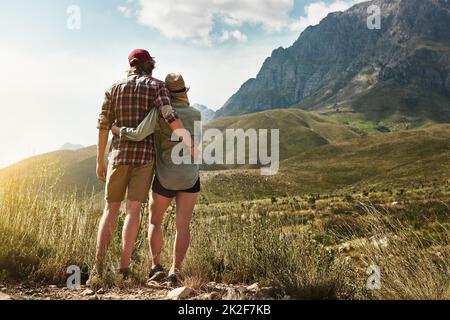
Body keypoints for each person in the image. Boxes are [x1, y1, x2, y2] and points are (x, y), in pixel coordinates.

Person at [95, 49, 195, 279]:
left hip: (118, 155)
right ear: (150, 65)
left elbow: (103, 125)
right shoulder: (157, 86)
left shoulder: (113, 88)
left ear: (130, 65)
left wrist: (100, 159)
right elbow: (169, 115)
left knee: (109, 210)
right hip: (144, 158)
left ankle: (98, 268)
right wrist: (188, 141)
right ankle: (123, 267)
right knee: (133, 211)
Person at [112, 73, 201, 285]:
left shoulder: (160, 113)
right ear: (184, 92)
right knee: (183, 225)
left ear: (166, 93)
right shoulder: (197, 114)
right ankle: (175, 271)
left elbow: (139, 134)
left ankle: (156, 267)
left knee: (155, 221)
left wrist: (116, 130)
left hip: (165, 177)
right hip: (190, 176)